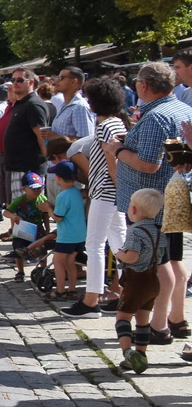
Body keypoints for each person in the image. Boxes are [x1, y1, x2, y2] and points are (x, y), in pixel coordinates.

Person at [107, 61, 192, 348]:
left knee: (159, 265)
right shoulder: (181, 108)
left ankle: (159, 325)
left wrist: (118, 149)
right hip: (171, 198)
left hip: (151, 203)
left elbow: (149, 164)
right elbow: (173, 155)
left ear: (143, 85)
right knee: (172, 261)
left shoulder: (157, 116)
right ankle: (176, 319)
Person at [68, 77, 129, 316]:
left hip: (105, 191)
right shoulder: (117, 122)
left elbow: (112, 163)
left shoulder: (104, 127)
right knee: (119, 242)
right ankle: (127, 293)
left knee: (94, 245)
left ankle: (91, 299)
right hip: (113, 192)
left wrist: (120, 191)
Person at [114, 188, 166, 372]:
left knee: (123, 317)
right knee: (143, 319)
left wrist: (120, 254)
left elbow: (132, 256)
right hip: (153, 280)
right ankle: (142, 355)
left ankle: (129, 354)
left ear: (134, 210)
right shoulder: (158, 232)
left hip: (136, 281)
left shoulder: (135, 231)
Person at [1, 68, 51, 201]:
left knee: (28, 211)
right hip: (17, 167)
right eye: (13, 80)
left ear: (31, 82)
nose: (15, 83)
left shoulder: (34, 104)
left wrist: (46, 159)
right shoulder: (20, 103)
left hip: (29, 169)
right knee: (18, 210)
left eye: (20, 80)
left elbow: (42, 135)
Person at [48, 160, 86, 299]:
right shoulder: (76, 192)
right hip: (80, 235)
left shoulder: (63, 196)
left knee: (58, 261)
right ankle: (72, 289)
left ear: (58, 178)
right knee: (70, 262)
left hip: (67, 236)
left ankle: (60, 291)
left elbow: (58, 218)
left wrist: (47, 209)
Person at [4, 173, 51, 281]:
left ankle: (42, 269)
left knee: (42, 249)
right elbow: (6, 212)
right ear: (24, 189)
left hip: (38, 230)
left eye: (39, 188)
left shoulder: (43, 199)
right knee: (18, 250)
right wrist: (14, 216)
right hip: (21, 231)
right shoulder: (20, 200)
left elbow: (45, 216)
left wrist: (47, 230)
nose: (37, 191)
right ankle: (20, 272)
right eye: (34, 189)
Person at [37, 66, 95, 149]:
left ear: (73, 82)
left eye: (61, 78)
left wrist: (56, 137)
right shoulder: (65, 105)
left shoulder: (79, 107)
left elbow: (86, 141)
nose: (56, 81)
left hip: (71, 157)